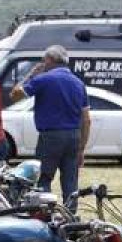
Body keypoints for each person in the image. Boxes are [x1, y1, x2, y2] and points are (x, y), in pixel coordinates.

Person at [10, 45, 91, 209]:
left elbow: (14, 95)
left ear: (49, 60)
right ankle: (71, 219)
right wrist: (82, 148)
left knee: (44, 179)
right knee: (70, 182)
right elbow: (87, 119)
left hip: (50, 136)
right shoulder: (78, 83)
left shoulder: (43, 79)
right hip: (74, 136)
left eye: (43, 60)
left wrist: (30, 76)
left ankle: (46, 215)